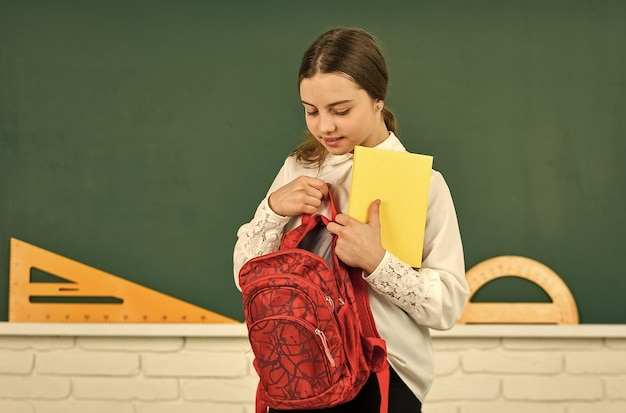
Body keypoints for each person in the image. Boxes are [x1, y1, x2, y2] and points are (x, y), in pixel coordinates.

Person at [233, 27, 469, 413]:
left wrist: (378, 263)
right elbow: (247, 278)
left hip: (384, 379)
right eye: (311, 111)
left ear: (378, 99)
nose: (325, 126)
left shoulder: (421, 182)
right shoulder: (299, 168)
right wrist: (272, 210)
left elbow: (446, 307)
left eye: (341, 111)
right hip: (299, 371)